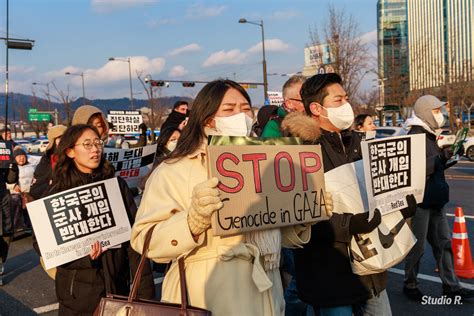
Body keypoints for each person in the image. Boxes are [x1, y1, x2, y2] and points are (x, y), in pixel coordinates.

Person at [131, 79, 326, 315]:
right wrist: (191, 222)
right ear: (207, 119)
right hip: (205, 295)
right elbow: (144, 239)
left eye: (245, 108)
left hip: (265, 292)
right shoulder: (175, 169)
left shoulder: (264, 163)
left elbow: (277, 230)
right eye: (229, 109)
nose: (240, 115)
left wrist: (304, 213)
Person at [285, 73, 416, 316]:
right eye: (338, 100)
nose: (347, 105)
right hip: (329, 273)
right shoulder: (299, 151)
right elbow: (297, 216)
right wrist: (347, 224)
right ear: (316, 108)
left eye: (346, 98)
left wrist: (399, 206)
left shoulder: (361, 143)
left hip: (371, 269)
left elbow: (378, 192)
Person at [46, 124, 155, 314]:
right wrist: (82, 255)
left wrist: (146, 294)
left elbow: (135, 241)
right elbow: (43, 245)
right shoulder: (59, 193)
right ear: (70, 151)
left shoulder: (116, 186)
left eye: (98, 143)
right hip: (77, 298)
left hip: (117, 289)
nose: (95, 149)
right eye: (87, 144)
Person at [403, 95, 474, 301]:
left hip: (436, 199)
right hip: (421, 202)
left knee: (444, 245)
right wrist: (440, 157)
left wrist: (448, 158)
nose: (441, 114)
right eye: (436, 111)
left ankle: (451, 286)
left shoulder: (429, 135)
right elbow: (415, 169)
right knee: (416, 247)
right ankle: (410, 284)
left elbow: (433, 166)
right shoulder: (415, 135)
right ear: (425, 112)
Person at [29, 125, 67, 200]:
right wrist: (51, 184)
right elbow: (35, 190)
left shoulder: (77, 157)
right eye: (59, 138)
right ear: (53, 141)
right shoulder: (46, 160)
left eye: (66, 138)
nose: (63, 141)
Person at [6, 148, 38, 233]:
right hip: (18, 193)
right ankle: (18, 227)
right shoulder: (12, 167)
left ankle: (31, 226)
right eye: (18, 156)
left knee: (30, 210)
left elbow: (37, 176)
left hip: (30, 192)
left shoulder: (32, 165)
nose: (21, 158)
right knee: (19, 210)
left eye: (23, 156)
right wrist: (13, 185)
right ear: (15, 158)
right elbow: (7, 181)